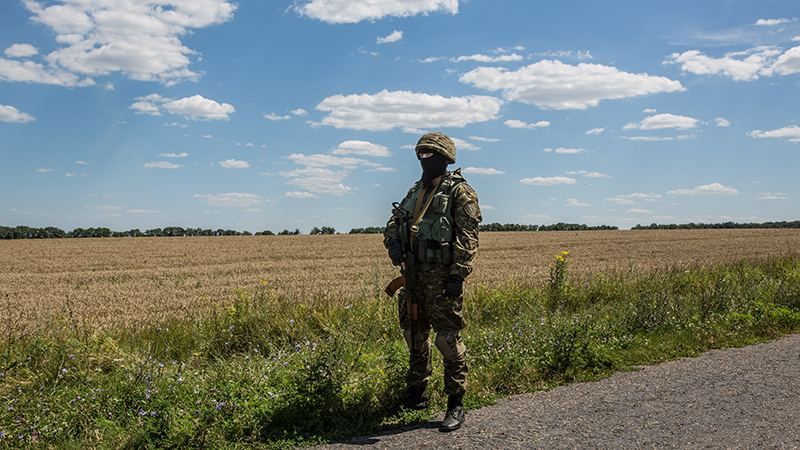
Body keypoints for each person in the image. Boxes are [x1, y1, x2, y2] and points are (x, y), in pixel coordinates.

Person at [383, 132, 482, 432]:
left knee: (447, 340)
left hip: (442, 278)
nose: (424, 159)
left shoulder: (460, 192)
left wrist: (458, 275)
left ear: (444, 157)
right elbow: (392, 223)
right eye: (421, 154)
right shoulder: (415, 191)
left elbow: (468, 236)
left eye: (430, 154)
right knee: (414, 335)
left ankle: (456, 403)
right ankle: (417, 394)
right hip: (413, 276)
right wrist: (393, 244)